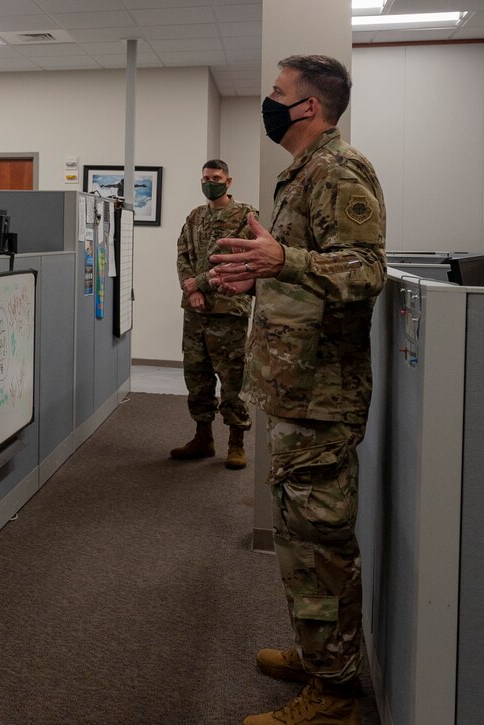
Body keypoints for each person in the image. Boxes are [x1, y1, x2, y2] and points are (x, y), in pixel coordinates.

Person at [208, 55, 386, 725]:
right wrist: (264, 275)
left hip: (323, 398)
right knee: (299, 542)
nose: (270, 102)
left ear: (309, 107)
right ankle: (320, 659)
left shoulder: (342, 170)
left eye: (279, 93)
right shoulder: (301, 175)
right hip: (294, 393)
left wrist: (285, 260)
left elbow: (366, 270)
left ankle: (336, 694)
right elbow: (313, 274)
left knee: (321, 546)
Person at [171, 159, 256, 469]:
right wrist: (190, 289)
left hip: (228, 310)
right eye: (206, 178)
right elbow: (182, 255)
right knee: (197, 376)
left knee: (233, 378)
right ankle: (203, 437)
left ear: (229, 181)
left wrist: (202, 282)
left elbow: (242, 258)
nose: (210, 182)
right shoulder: (194, 217)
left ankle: (236, 442)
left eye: (216, 177)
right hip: (195, 312)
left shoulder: (245, 216)